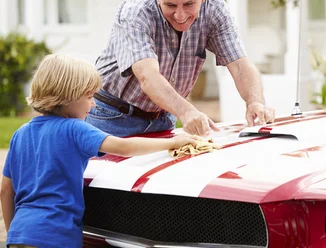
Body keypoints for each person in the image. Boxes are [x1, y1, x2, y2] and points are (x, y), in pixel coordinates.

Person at [0, 53, 201, 248]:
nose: (94, 104)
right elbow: (124, 147)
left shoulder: (21, 133)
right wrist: (172, 143)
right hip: (56, 235)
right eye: (89, 96)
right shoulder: (74, 129)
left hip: (20, 232)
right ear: (69, 96)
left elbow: (6, 190)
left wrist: (12, 233)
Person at [87, 0, 275, 137]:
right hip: (111, 115)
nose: (180, 15)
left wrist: (255, 102)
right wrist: (186, 111)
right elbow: (147, 76)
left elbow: (240, 64)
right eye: (170, 5)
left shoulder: (215, 8)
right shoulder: (136, 12)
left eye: (188, 4)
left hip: (163, 117)